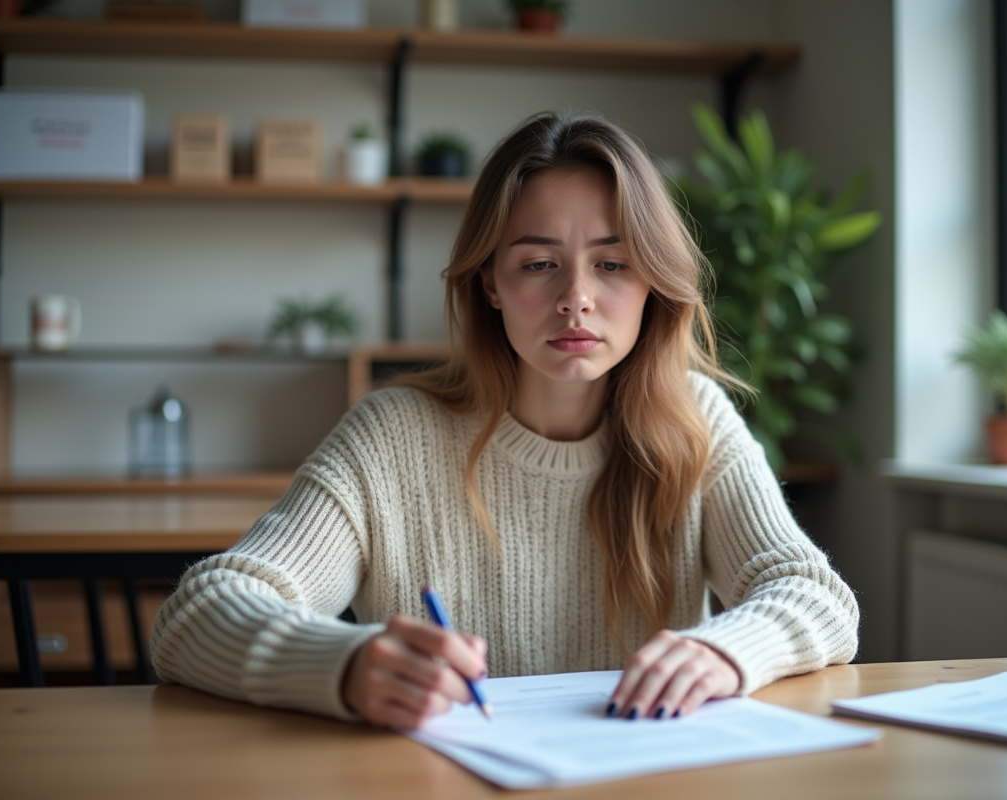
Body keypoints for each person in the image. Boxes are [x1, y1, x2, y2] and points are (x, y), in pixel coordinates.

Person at [150, 112, 859, 729]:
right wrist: (346, 663)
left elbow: (816, 596)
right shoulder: (393, 436)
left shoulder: (696, 422)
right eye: (540, 264)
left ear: (653, 283)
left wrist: (722, 651)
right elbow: (196, 615)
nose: (576, 299)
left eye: (612, 264)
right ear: (489, 282)